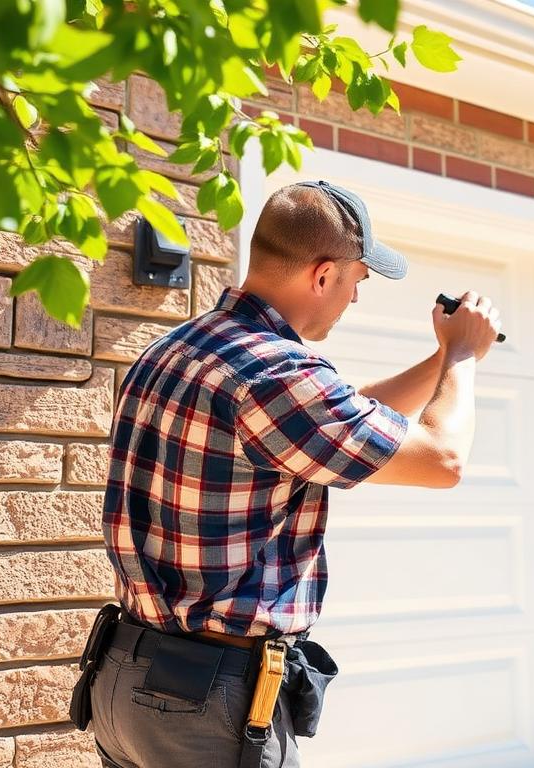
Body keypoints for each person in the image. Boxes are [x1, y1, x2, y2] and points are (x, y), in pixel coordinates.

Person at [82, 180, 502, 768]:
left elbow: (331, 418)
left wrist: (441, 359)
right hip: (206, 703)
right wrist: (460, 358)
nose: (355, 298)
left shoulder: (174, 348)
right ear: (323, 275)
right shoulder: (276, 371)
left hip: (123, 683)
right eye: (358, 280)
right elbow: (443, 459)